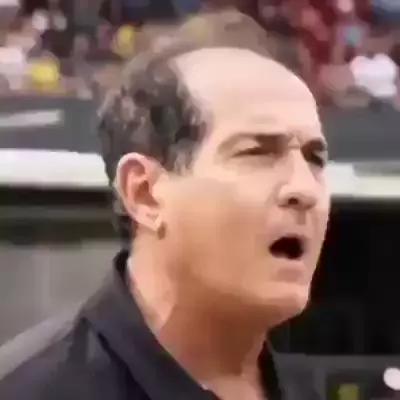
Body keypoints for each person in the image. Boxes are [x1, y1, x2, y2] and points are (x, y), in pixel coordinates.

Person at [0, 10, 330, 400]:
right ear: (144, 193)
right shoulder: (34, 390)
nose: (304, 189)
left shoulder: (301, 389)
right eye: (257, 153)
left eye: (314, 159)